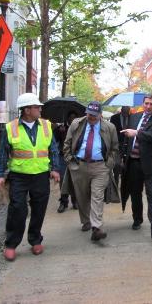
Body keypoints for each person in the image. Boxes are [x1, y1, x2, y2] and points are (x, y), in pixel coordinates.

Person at [0, 93, 61, 261]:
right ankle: (11, 244)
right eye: (36, 107)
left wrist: (55, 169)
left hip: (40, 175)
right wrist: (0, 174)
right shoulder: (11, 128)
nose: (40, 109)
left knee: (39, 209)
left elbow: (53, 149)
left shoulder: (46, 126)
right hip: (19, 176)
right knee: (17, 209)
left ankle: (35, 239)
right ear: (26, 110)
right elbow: (2, 153)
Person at [63, 101, 118, 241]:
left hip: (100, 167)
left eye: (94, 115)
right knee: (82, 197)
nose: (91, 118)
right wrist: (70, 161)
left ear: (100, 115)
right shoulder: (76, 124)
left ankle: (96, 227)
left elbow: (114, 148)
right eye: (89, 114)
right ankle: (86, 221)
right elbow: (67, 144)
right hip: (79, 165)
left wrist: (108, 165)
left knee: (97, 196)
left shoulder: (110, 127)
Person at [121, 94, 152, 241]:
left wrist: (136, 133)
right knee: (135, 193)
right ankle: (137, 219)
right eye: (146, 103)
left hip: (151, 164)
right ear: (143, 103)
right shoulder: (134, 117)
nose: (148, 106)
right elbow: (127, 140)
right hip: (134, 162)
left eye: (151, 104)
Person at [54, 111, 78, 213]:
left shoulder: (79, 128)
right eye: (71, 117)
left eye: (74, 117)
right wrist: (60, 131)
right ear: (67, 118)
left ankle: (75, 201)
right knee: (63, 180)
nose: (72, 119)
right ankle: (63, 202)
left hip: (75, 158)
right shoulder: (61, 128)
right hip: (63, 157)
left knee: (74, 180)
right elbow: (54, 140)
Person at [110, 106, 130, 186]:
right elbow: (111, 130)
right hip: (117, 144)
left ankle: (125, 182)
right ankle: (116, 181)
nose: (126, 113)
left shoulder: (132, 118)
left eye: (127, 111)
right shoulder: (114, 118)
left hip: (128, 145)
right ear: (121, 110)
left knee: (126, 165)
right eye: (124, 111)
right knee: (117, 164)